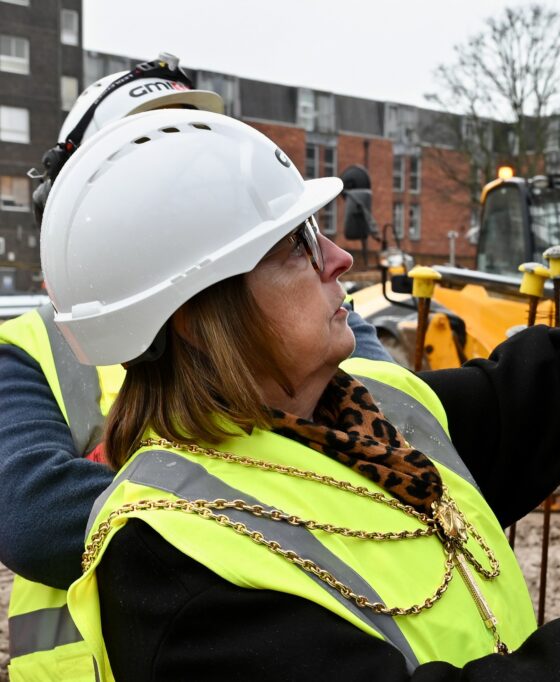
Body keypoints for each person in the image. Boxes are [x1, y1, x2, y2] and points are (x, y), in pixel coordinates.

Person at [41, 54, 560, 680]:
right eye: (295, 248)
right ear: (197, 315)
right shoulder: (169, 563)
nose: (341, 258)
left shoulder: (365, 414)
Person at [0, 53, 390, 682]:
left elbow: (398, 436)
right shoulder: (27, 349)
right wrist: (295, 515)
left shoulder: (317, 309)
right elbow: (35, 518)